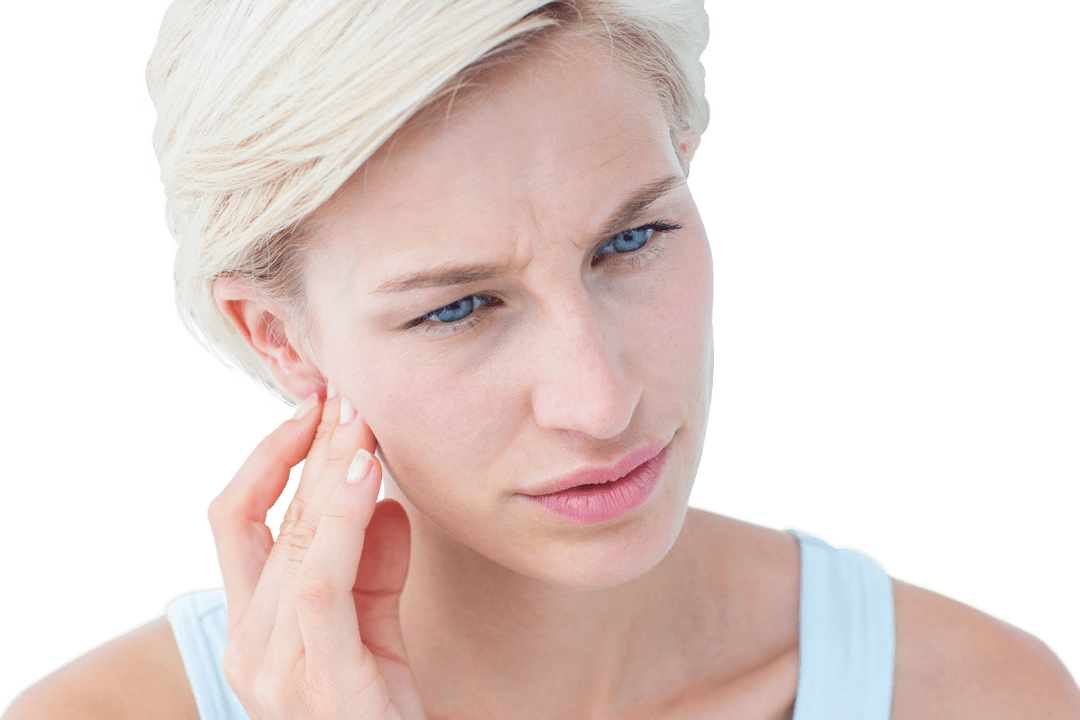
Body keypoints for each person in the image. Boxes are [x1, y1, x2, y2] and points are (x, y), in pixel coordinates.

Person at [4, 0, 1078, 718]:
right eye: (461, 306)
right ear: (278, 338)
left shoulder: (980, 695)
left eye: (631, 240)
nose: (602, 400)